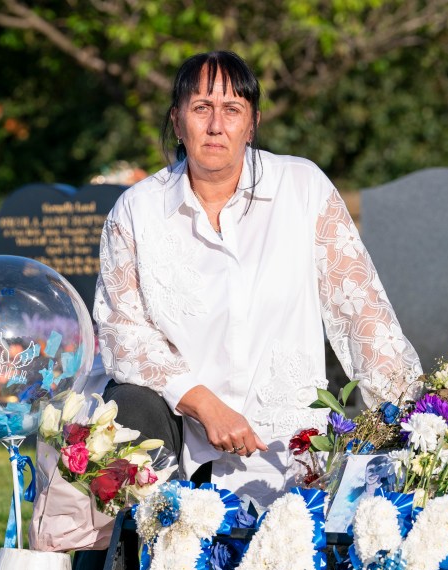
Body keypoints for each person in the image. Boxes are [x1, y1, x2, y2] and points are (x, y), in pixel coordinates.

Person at [94, 50, 422, 509]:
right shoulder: (136, 211)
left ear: (252, 124)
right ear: (177, 118)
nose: (215, 126)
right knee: (127, 404)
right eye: (201, 108)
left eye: (232, 110)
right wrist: (203, 403)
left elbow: (360, 309)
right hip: (179, 436)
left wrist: (414, 416)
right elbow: (121, 330)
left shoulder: (302, 187)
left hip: (291, 449)